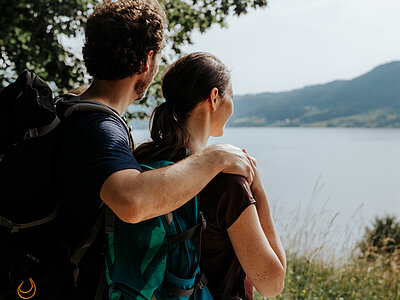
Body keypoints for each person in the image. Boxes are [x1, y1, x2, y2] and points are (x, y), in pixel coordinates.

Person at [55, 0, 254, 299]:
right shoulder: (99, 128)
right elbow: (132, 201)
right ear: (148, 60)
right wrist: (217, 157)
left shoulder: (70, 108)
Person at [133, 52, 287, 299]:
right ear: (214, 98)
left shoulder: (142, 168)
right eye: (231, 96)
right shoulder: (228, 184)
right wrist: (258, 190)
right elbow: (272, 284)